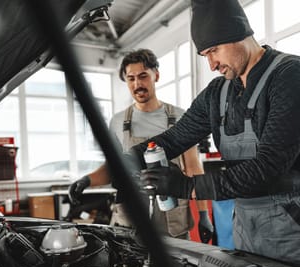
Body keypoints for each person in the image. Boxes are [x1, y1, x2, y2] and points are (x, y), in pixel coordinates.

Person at [135, 0, 300, 267]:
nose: (212, 64)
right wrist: (122, 162)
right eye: (205, 54)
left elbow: (268, 166)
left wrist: (188, 187)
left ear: (239, 33)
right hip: (246, 233)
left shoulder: (292, 75)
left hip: (295, 234)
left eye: (214, 50)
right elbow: (173, 139)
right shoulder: (217, 93)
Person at [69, 49, 214, 241]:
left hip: (172, 217)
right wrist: (87, 180)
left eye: (143, 76)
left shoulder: (180, 117)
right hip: (132, 218)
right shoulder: (118, 121)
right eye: (131, 78)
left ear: (156, 75)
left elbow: (193, 167)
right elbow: (114, 168)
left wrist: (204, 214)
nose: (137, 84)